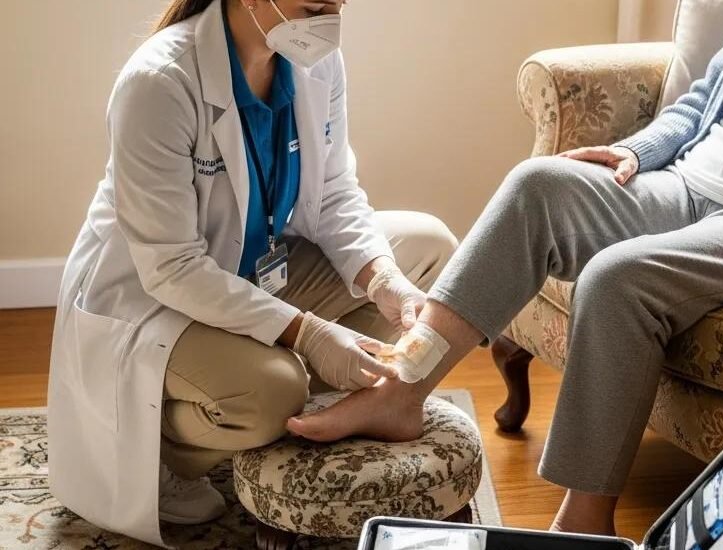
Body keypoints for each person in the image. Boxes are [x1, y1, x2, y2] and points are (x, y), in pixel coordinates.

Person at [285, 0, 723, 536]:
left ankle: (584, 520)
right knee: (535, 186)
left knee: (615, 277)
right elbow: (702, 101)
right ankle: (405, 387)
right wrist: (639, 150)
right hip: (682, 184)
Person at [47, 0, 457, 544]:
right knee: (274, 392)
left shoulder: (313, 60)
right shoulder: (159, 82)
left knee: (430, 247)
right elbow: (172, 267)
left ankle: (301, 390)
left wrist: (384, 279)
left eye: (338, 4)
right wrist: (307, 334)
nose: (330, 20)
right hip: (155, 296)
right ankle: (162, 447)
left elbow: (333, 194)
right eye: (316, 5)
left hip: (252, 268)